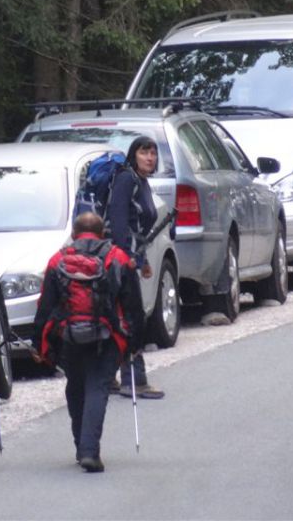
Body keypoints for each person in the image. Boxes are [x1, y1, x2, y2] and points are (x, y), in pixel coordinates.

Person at [33, 212, 143, 472]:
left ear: (74, 233)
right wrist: (135, 343)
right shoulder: (118, 258)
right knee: (97, 387)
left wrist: (39, 343)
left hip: (68, 336)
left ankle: (81, 447)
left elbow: (45, 306)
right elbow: (133, 306)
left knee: (76, 387)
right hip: (107, 337)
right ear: (102, 233)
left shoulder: (58, 260)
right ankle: (89, 451)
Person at [105, 135, 166, 400]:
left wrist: (145, 261)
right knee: (133, 319)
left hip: (129, 259)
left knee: (118, 317)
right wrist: (125, 259)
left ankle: (109, 378)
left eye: (153, 153)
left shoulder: (140, 182)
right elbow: (118, 221)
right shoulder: (127, 180)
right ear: (134, 155)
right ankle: (135, 380)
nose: (150, 158)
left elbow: (138, 227)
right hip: (118, 261)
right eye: (144, 152)